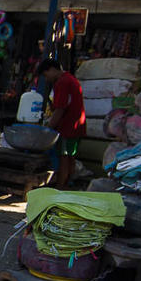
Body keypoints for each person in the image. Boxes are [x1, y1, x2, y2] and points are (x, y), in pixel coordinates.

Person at [38, 58, 86, 190]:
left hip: (67, 127)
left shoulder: (62, 82)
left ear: (52, 69)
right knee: (70, 156)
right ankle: (67, 184)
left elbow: (60, 109)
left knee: (64, 157)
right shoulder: (71, 79)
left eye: (45, 75)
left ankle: (60, 187)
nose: (46, 79)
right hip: (76, 126)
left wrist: (48, 129)